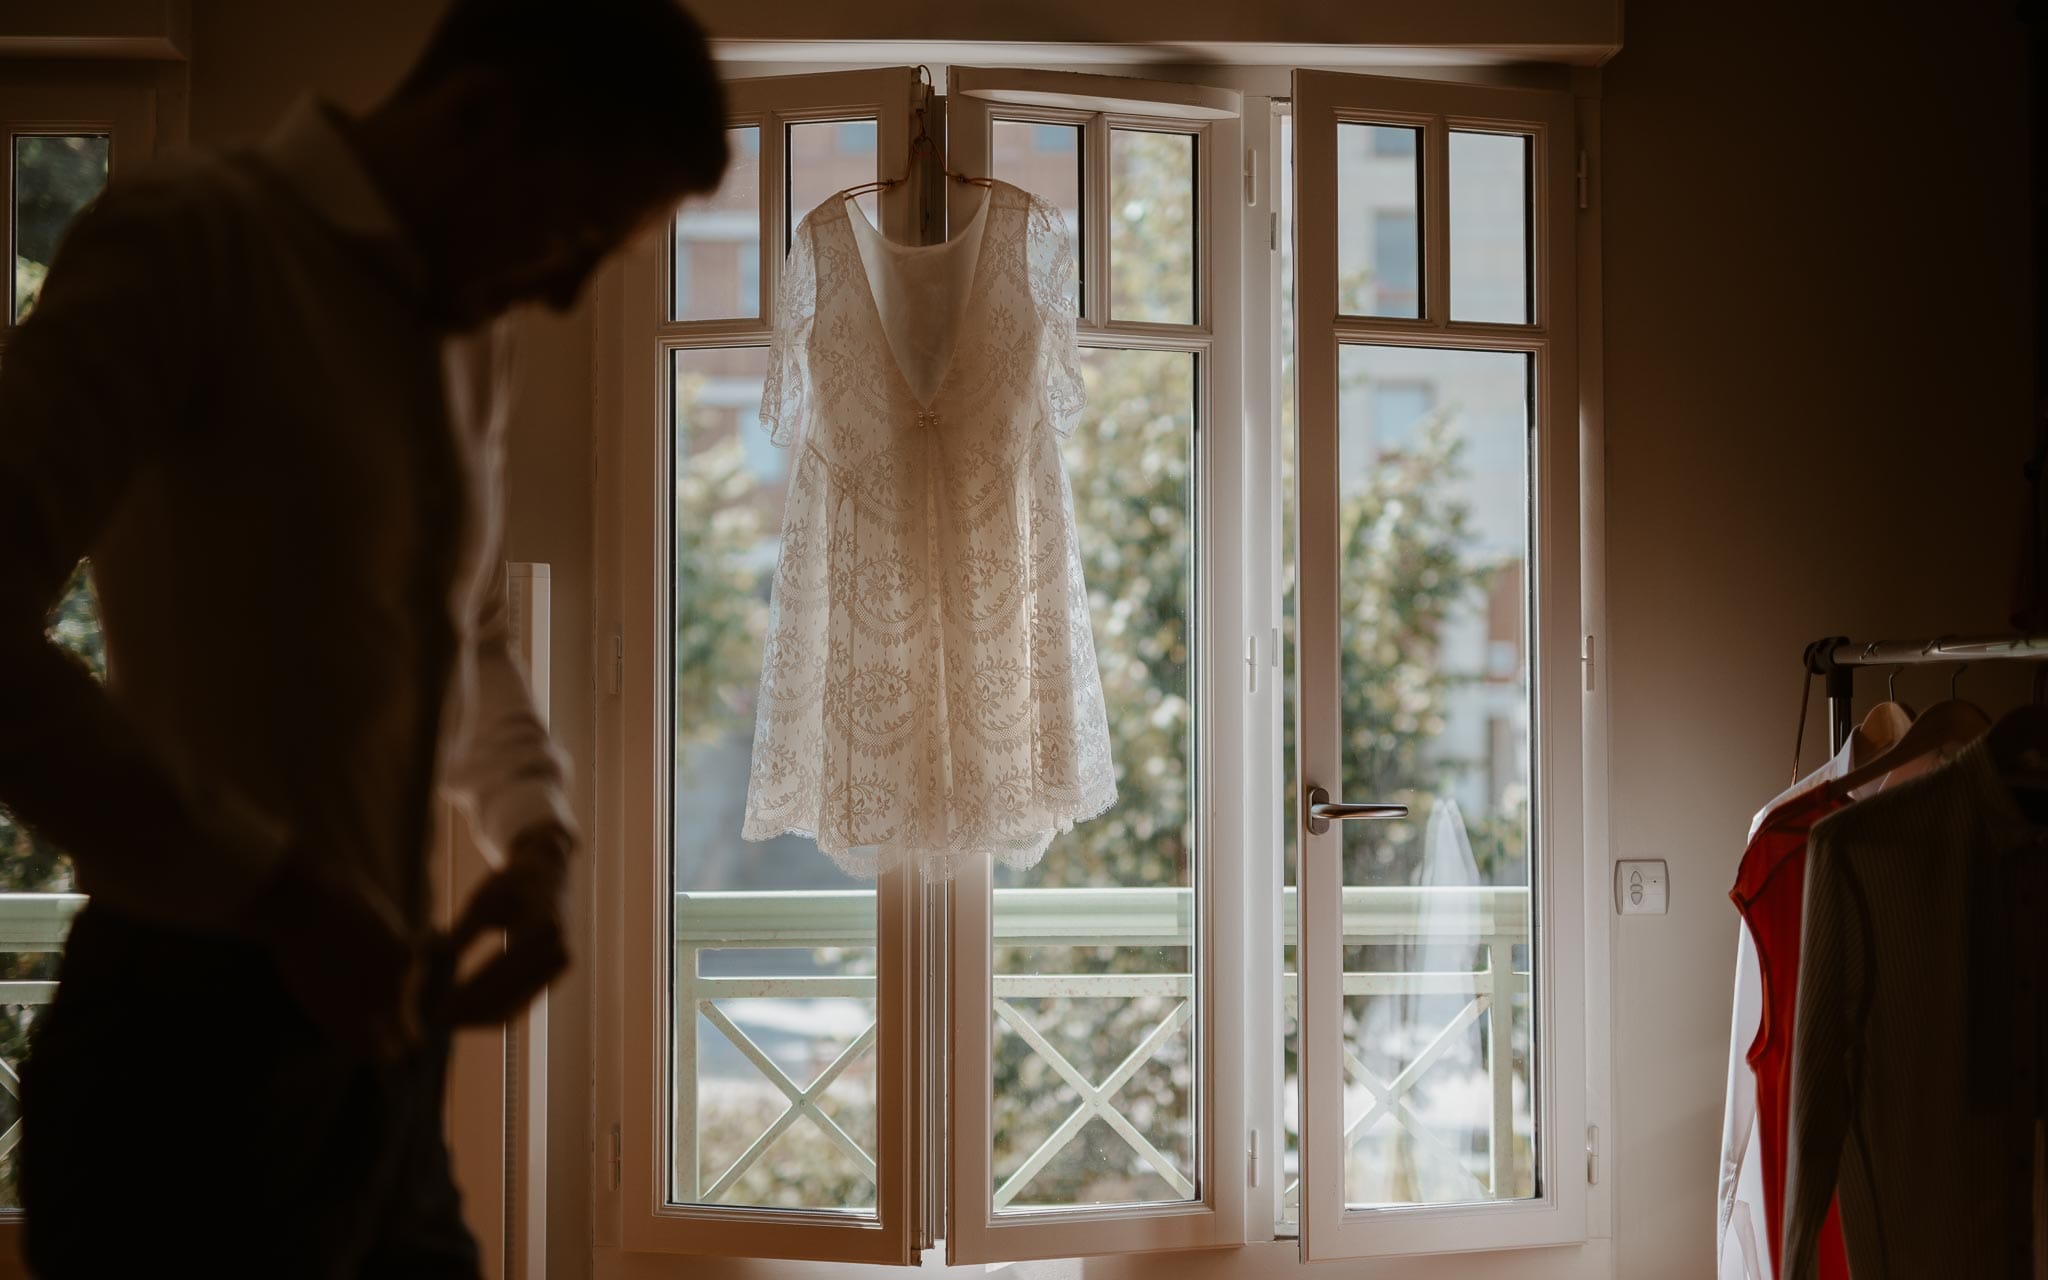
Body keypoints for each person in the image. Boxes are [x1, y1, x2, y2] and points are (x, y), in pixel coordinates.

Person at [0, 0, 727, 1274]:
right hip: (180, 1044)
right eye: (572, 233)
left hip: (377, 1042)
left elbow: (469, 630)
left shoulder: (467, 342)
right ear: (482, 117)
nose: (560, 290)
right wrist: (277, 891)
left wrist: (539, 833)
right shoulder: (196, 240)